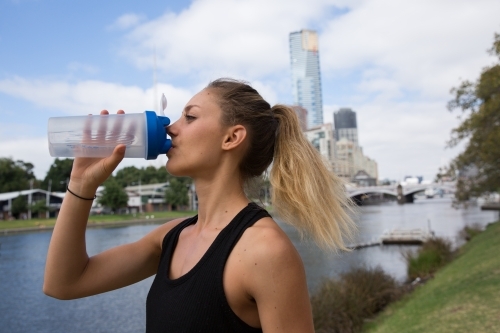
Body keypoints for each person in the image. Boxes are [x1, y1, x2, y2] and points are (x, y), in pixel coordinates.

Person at [43, 78, 356, 332]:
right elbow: (64, 283)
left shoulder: (265, 252)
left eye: (189, 117)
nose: (171, 128)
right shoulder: (170, 238)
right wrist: (81, 185)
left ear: (232, 138)